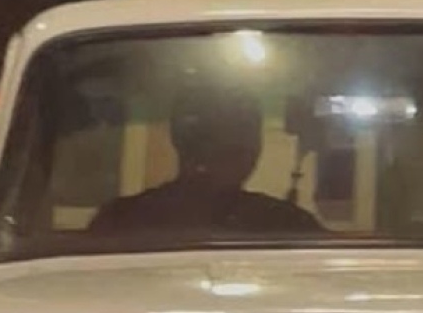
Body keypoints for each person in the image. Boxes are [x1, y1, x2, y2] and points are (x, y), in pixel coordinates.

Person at [89, 84, 323, 234]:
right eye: (237, 142)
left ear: (176, 139)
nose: (248, 151)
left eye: (247, 135)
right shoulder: (290, 226)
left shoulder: (119, 221)